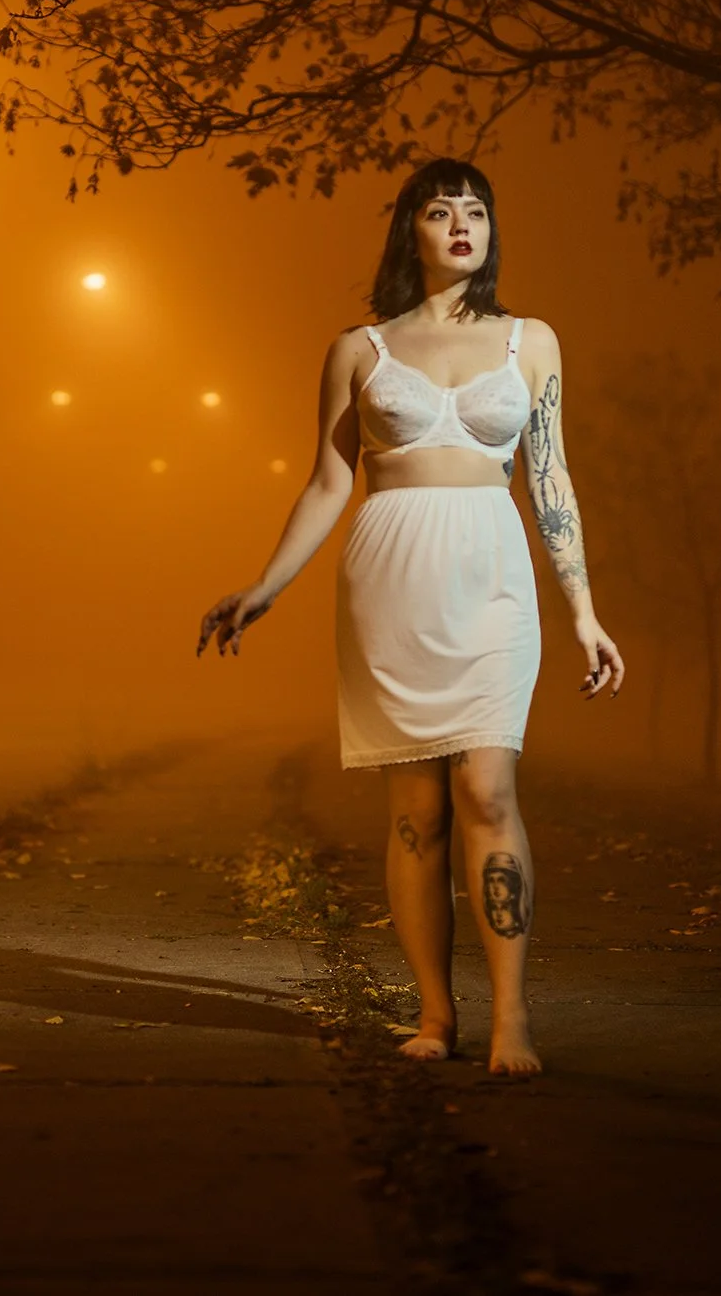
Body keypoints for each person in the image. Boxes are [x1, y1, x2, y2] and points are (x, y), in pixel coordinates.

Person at [196, 157, 622, 1076]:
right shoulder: (360, 349)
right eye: (441, 211)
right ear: (410, 232)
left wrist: (584, 613)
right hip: (390, 578)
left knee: (488, 793)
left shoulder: (530, 341)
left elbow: (550, 477)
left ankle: (512, 1016)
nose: (463, 225)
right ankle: (435, 1012)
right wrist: (266, 586)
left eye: (477, 212)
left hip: (492, 575)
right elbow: (327, 481)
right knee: (416, 814)